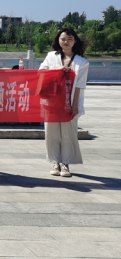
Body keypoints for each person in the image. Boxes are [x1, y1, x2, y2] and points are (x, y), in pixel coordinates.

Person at [39, 28, 89, 177]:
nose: (66, 41)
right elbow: (41, 73)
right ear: (58, 41)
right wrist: (57, 70)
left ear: (75, 41)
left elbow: (80, 85)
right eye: (63, 39)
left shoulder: (82, 62)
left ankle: (65, 164)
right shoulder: (51, 56)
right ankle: (55, 162)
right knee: (52, 132)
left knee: (68, 133)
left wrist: (75, 105)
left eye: (69, 39)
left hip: (69, 103)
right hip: (52, 103)